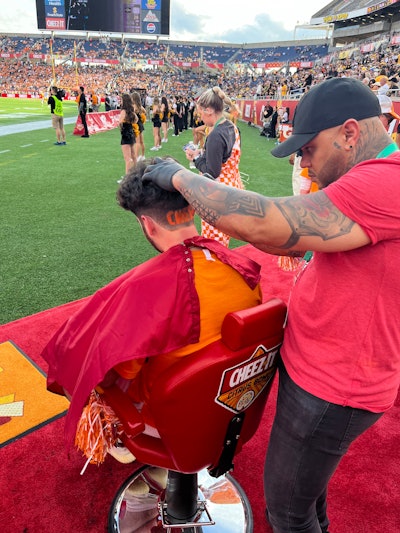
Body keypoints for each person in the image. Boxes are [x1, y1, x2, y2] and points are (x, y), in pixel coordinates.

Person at [142, 77, 400, 533]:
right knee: (308, 498)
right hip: (328, 371)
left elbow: (266, 224)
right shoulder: (371, 177)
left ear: (349, 133)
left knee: (287, 513)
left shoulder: (385, 180)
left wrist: (180, 176)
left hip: (334, 386)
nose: (303, 162)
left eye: (307, 150)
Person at [42, 157, 262, 466]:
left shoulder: (148, 291)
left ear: (146, 223)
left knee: (77, 365)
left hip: (170, 419)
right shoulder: (243, 269)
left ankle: (125, 443)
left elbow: (115, 370)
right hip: (233, 404)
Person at [184, 86, 243, 247]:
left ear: (209, 110)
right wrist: (203, 154)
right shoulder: (232, 127)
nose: (200, 117)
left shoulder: (216, 134)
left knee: (214, 244)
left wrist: (196, 158)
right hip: (232, 188)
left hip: (218, 195)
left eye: (201, 112)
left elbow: (212, 172)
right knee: (222, 240)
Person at [118, 93, 137, 175]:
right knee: (133, 156)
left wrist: (121, 124)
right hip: (131, 132)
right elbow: (136, 120)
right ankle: (137, 172)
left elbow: (120, 122)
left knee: (127, 158)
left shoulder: (123, 111)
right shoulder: (131, 110)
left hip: (125, 134)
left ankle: (127, 176)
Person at [131, 91, 146, 161]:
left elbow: (132, 114)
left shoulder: (134, 106)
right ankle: (142, 155)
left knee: (137, 142)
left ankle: (136, 157)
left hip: (136, 124)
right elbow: (145, 112)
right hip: (140, 124)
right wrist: (141, 115)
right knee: (141, 141)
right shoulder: (140, 106)